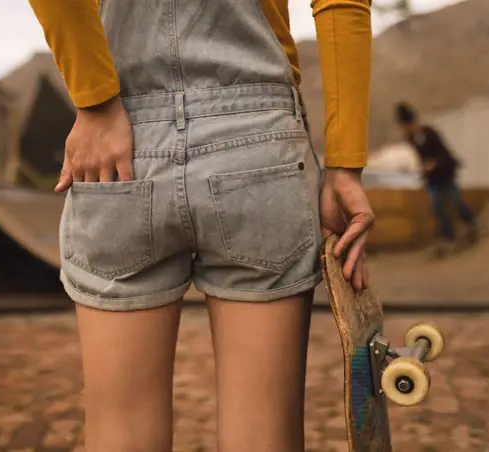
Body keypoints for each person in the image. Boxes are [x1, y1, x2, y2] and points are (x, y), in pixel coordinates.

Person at [27, 1, 375, 451]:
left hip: (119, 143)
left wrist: (95, 100)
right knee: (263, 433)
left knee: (120, 429)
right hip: (257, 141)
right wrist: (345, 163)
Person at [394, 103, 478, 251]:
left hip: (445, 174)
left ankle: (471, 224)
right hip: (432, 179)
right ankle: (449, 237)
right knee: (437, 207)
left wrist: (434, 163)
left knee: (455, 200)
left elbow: (445, 153)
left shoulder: (430, 133)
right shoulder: (410, 140)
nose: (408, 129)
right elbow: (417, 159)